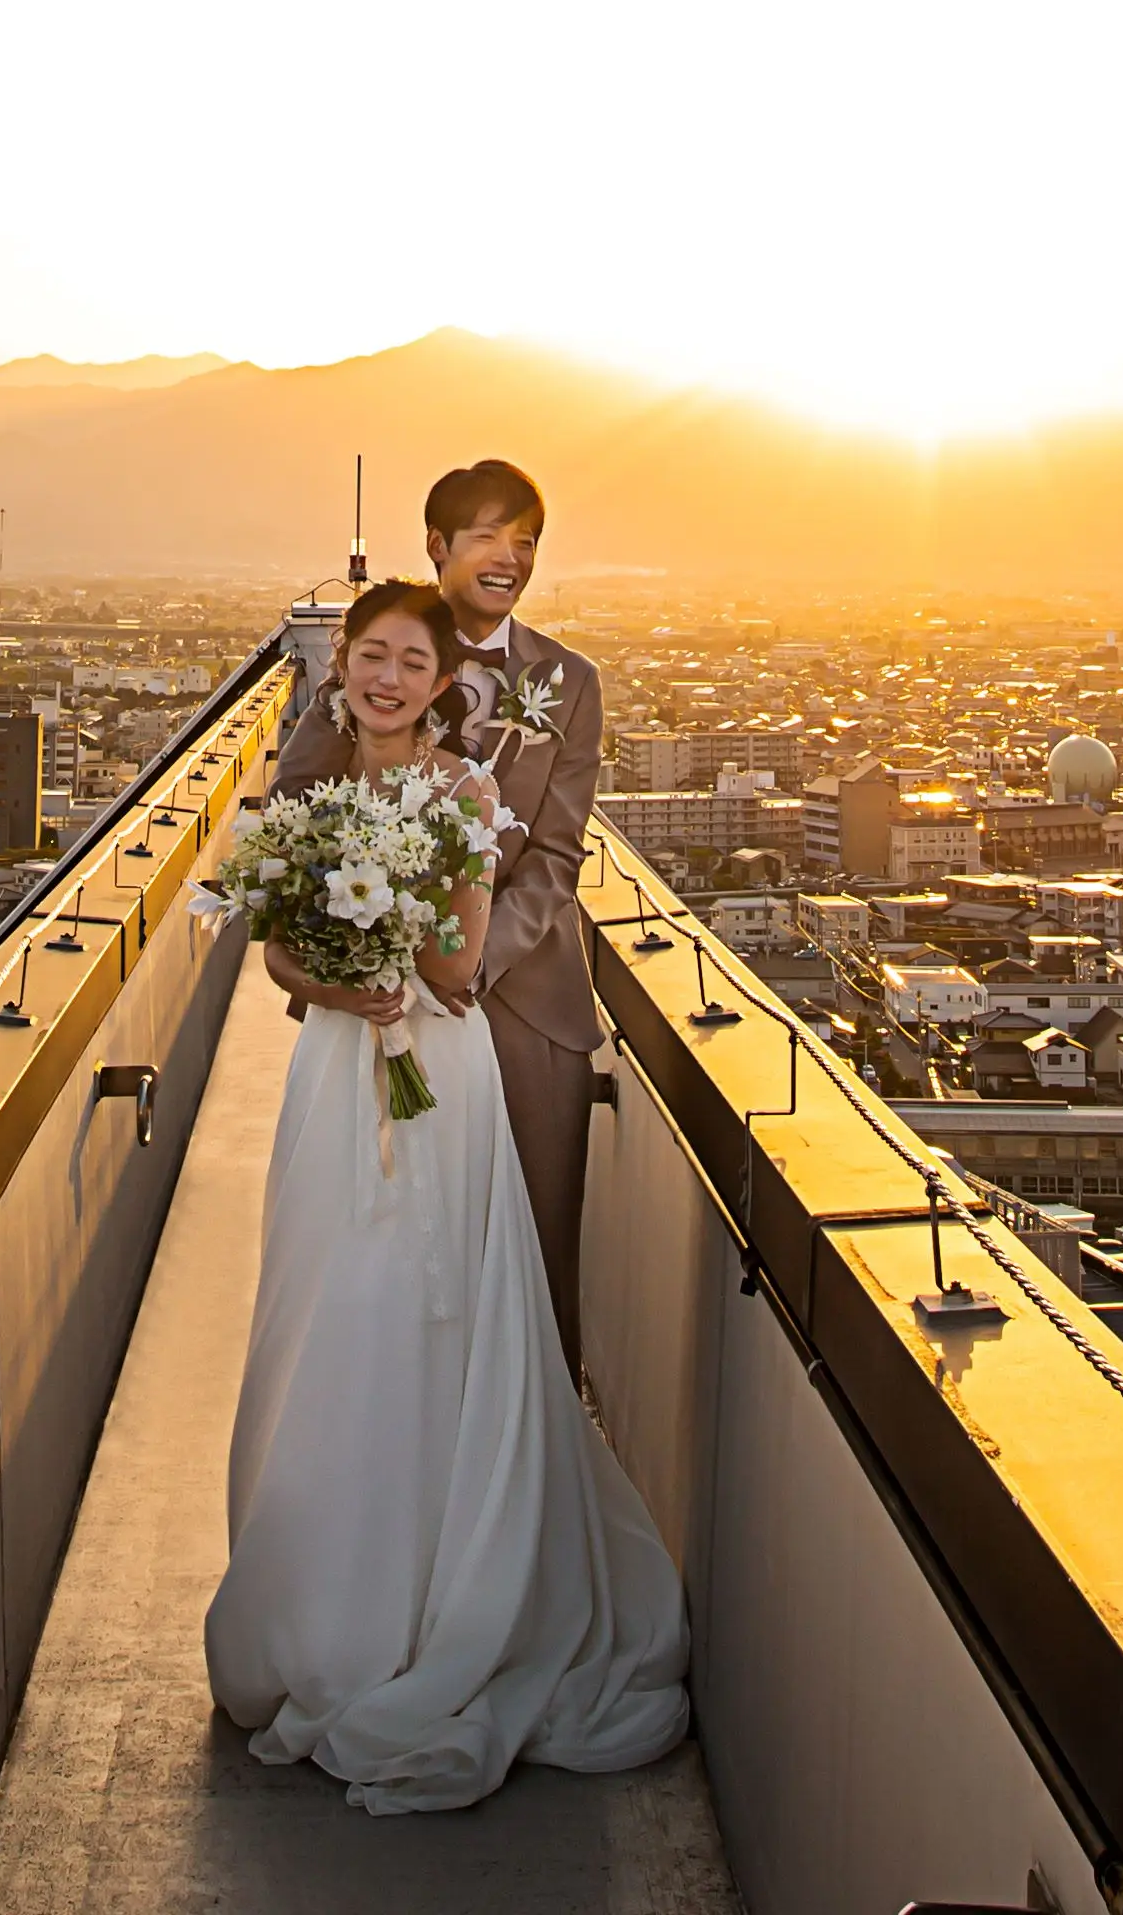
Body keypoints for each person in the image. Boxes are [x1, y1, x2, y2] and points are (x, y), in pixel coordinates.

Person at [203, 579, 691, 1812]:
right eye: (370, 656)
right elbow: (273, 952)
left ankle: (438, 1604)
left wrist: (380, 944)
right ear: (343, 669)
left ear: (439, 682)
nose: (386, 679)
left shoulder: (465, 792)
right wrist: (333, 973)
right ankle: (327, 1605)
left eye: (410, 662)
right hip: (334, 1072)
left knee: (430, 1312)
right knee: (327, 1307)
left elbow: (464, 961)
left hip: (438, 1074)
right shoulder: (312, 792)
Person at [266, 458, 606, 1350]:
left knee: (534, 1261)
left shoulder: (570, 683)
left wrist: (468, 962)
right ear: (438, 547)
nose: (509, 557)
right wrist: (364, 955)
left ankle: (525, 1468)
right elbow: (294, 817)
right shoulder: (373, 661)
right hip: (375, 1009)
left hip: (525, 999)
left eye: (526, 541)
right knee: (377, 1251)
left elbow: (559, 855)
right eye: (488, 535)